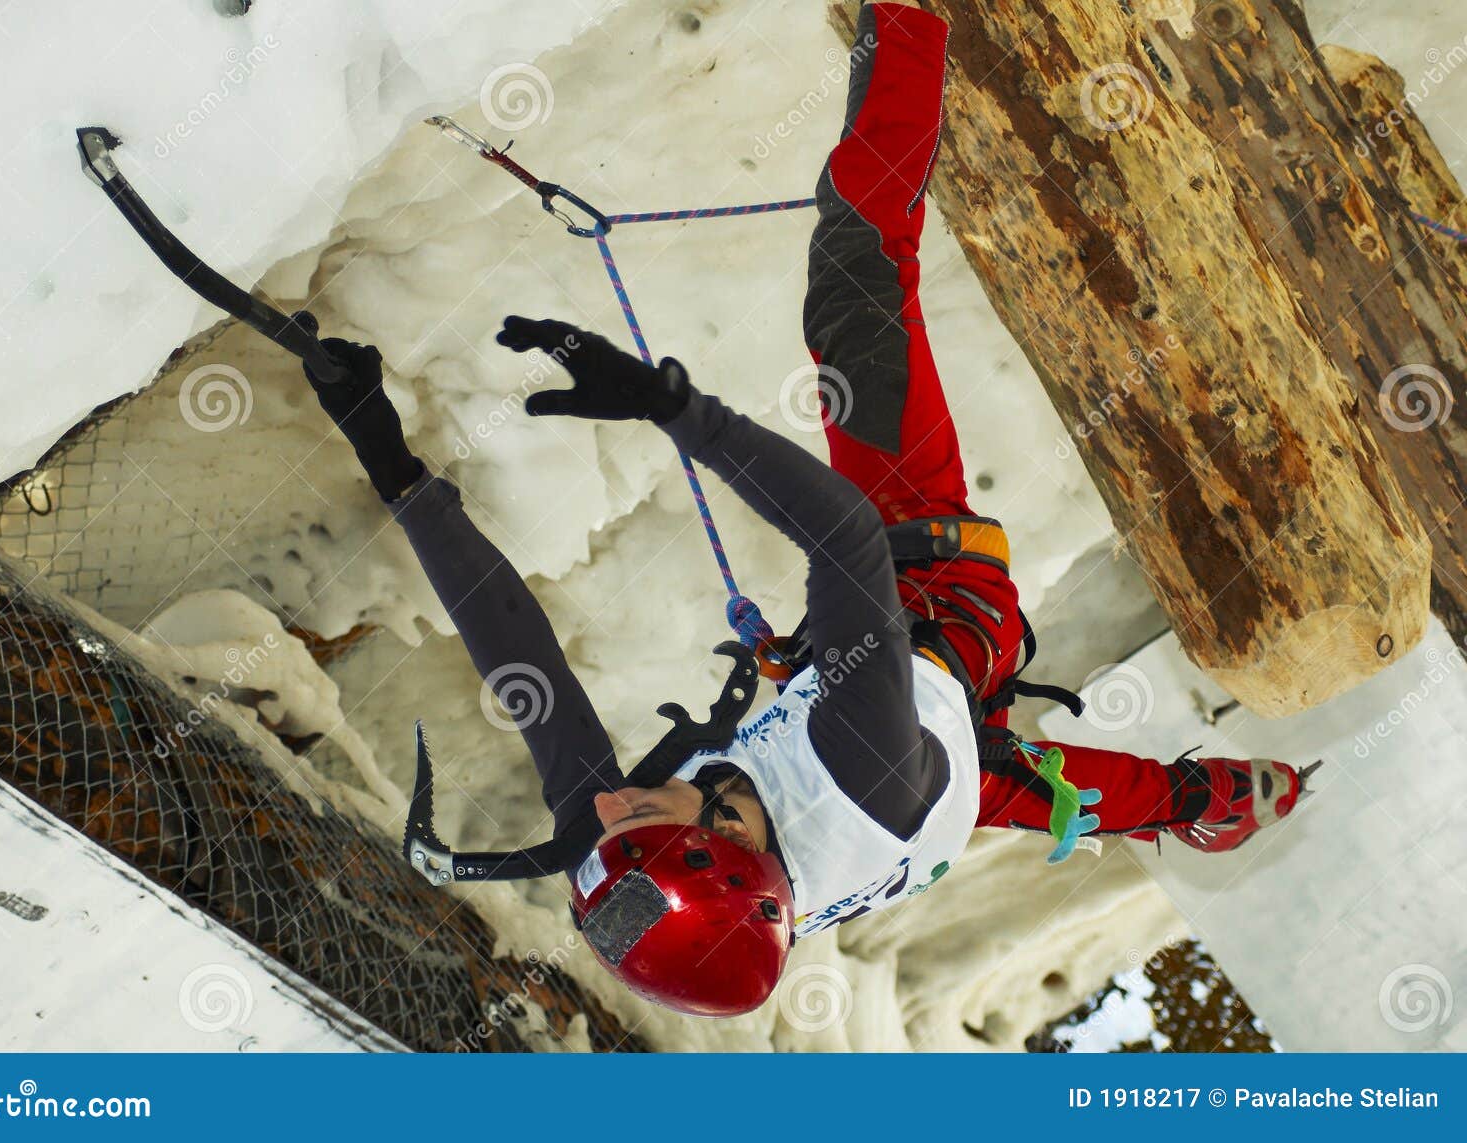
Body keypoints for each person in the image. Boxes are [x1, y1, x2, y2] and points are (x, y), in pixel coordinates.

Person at [299, 1, 1315, 1019]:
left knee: (1031, 780)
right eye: (634, 812)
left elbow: (513, 644)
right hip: (937, 602)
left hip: (931, 756)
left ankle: (1200, 805)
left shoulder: (643, 847)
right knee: (856, 273)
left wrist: (381, 451)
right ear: (728, 849)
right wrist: (670, 407)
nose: (609, 802)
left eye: (608, 822)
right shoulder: (854, 770)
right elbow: (844, 539)